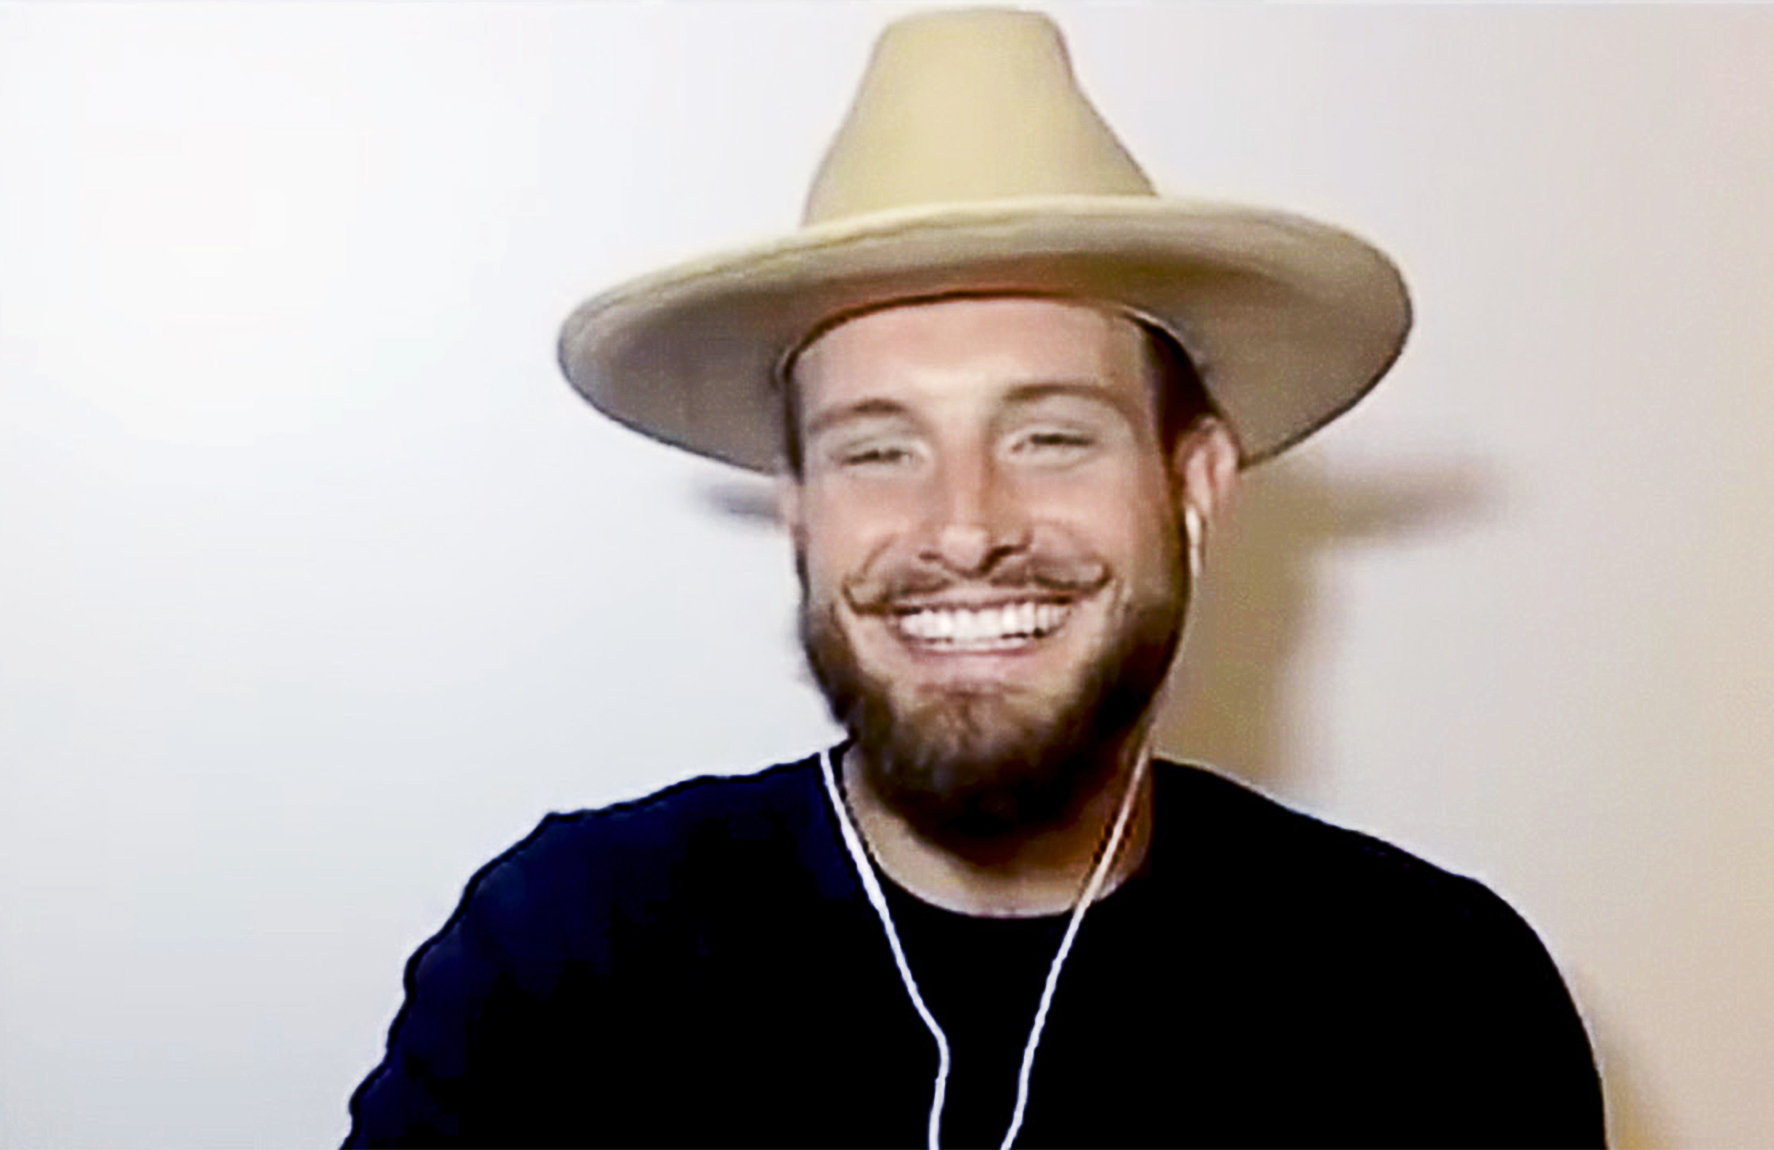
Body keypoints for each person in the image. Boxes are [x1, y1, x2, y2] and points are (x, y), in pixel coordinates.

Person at [345, 8, 1604, 1147]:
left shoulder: (1433, 997)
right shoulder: (565, 956)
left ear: (1192, 480)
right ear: (797, 511)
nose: (963, 527)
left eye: (1048, 434)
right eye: (876, 448)